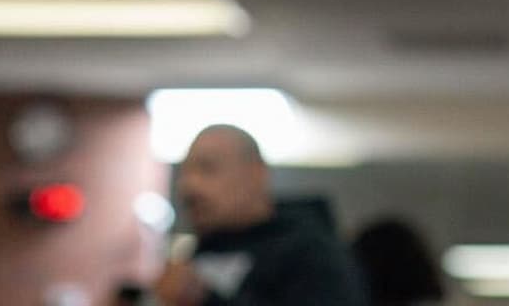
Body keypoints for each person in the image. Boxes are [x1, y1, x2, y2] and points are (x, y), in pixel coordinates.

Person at [150, 124, 367, 306]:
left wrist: (204, 299)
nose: (189, 186)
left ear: (256, 173)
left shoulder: (312, 254)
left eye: (207, 168)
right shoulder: (206, 248)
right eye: (185, 173)